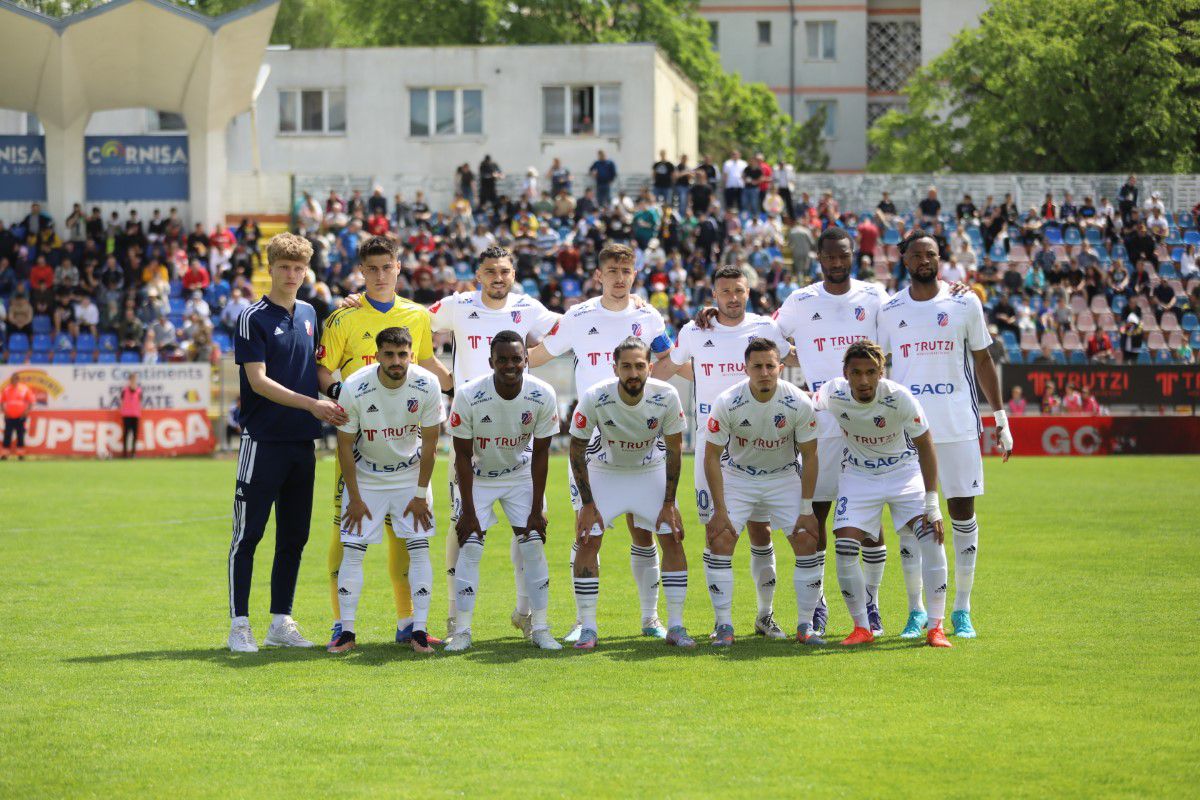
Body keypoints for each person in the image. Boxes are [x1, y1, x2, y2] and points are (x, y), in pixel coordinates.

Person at [528, 244, 674, 643]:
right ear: (599, 275)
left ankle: (651, 619)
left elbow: (669, 359)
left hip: (641, 440)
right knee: (587, 529)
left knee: (643, 530)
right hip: (590, 443)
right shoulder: (578, 316)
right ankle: (583, 621)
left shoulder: (649, 316)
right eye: (612, 270)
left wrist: (646, 395)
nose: (620, 278)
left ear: (635, 274)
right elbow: (539, 355)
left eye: (626, 271)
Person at [316, 236, 452, 648]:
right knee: (346, 531)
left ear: (398, 268)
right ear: (361, 271)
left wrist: (460, 388)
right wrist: (345, 400)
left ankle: (408, 622)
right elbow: (322, 371)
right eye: (371, 269)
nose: (379, 276)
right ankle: (341, 624)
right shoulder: (342, 317)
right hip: (360, 442)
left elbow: (425, 362)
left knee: (405, 537)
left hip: (403, 442)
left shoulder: (417, 315)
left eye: (386, 267)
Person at [877, 230, 1013, 640]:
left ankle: (962, 609)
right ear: (904, 260)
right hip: (906, 431)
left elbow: (983, 360)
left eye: (931, 254)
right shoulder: (890, 309)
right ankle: (916, 610)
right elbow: (876, 366)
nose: (925, 260)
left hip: (958, 425)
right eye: (917, 254)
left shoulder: (964, 301)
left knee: (962, 513)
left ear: (940, 258)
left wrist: (1001, 417)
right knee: (910, 520)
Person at [653, 266, 795, 638]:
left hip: (761, 442)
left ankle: (765, 615)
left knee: (761, 530)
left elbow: (794, 357)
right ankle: (722, 622)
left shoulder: (766, 328)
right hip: (712, 445)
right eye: (725, 291)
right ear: (713, 295)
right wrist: (623, 392)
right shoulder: (694, 330)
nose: (733, 298)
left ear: (749, 292)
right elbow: (669, 366)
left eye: (739, 290)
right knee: (716, 530)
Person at [426, 246, 558, 637]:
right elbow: (414, 322)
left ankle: (525, 612)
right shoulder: (458, 305)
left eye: (504, 271)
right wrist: (443, 376)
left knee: (530, 526)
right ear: (478, 275)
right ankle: (455, 617)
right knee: (460, 527)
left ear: (513, 274)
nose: (497, 278)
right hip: (470, 430)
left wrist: (530, 360)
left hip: (517, 429)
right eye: (490, 271)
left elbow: (571, 329)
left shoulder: (528, 307)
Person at [228, 232, 347, 653]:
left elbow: (317, 369)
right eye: (284, 267)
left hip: (302, 442)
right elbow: (258, 381)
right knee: (248, 537)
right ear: (271, 268)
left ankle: (280, 622)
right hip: (262, 442)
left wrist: (335, 396)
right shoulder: (252, 317)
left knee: (294, 537)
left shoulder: (311, 312)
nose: (292, 275)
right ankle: (239, 624)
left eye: (299, 268)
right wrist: (312, 405)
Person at [771, 227, 890, 635]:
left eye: (844, 255)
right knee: (815, 514)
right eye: (830, 257)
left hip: (867, 420)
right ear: (819, 258)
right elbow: (765, 335)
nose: (837, 263)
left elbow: (907, 320)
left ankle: (872, 604)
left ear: (853, 255)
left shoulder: (874, 295)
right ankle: (817, 603)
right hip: (820, 422)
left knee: (869, 518)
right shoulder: (800, 300)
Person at [813, 341, 952, 648]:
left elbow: (925, 445)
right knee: (845, 547)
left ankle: (935, 627)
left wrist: (932, 503)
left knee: (931, 535)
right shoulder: (832, 392)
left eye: (871, 372)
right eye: (856, 372)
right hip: (858, 475)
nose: (863, 380)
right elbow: (806, 404)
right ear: (845, 374)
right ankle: (862, 627)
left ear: (881, 372)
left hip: (903, 473)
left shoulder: (899, 397)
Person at [568, 337, 694, 650]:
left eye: (639, 366)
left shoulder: (666, 395)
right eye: (626, 366)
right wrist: (587, 504)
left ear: (650, 367)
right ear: (615, 369)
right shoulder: (596, 396)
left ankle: (674, 625)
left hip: (649, 470)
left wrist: (669, 503)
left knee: (672, 536)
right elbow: (577, 448)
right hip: (606, 471)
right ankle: (588, 627)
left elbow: (675, 450)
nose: (633, 373)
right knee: (587, 540)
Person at [327, 327, 444, 655]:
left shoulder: (427, 383)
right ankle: (347, 633)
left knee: (418, 548)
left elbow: (432, 444)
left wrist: (420, 495)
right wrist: (355, 498)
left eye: (403, 354)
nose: (396, 361)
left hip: (409, 476)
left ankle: (419, 631)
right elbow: (344, 445)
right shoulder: (355, 386)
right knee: (353, 550)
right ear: (377, 355)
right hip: (367, 477)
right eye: (389, 354)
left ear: (411, 355)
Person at [444, 332, 562, 652]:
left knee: (533, 544)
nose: (510, 365)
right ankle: (462, 631)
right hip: (478, 476)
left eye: (516, 359)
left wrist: (536, 509)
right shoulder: (469, 395)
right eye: (503, 359)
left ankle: (540, 628)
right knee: (470, 546)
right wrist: (468, 512)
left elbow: (541, 454)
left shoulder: (542, 394)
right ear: (491, 362)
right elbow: (462, 457)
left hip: (519, 474)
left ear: (526, 360)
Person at [702, 338, 821, 645]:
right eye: (757, 366)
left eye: (770, 366)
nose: (764, 372)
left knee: (806, 539)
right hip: (739, 476)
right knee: (720, 538)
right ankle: (724, 625)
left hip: (783, 476)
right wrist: (720, 510)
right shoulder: (728, 401)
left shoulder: (798, 402)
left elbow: (810, 456)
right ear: (746, 369)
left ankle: (804, 625)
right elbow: (711, 456)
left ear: (780, 367)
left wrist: (807, 508)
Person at [1, 373, 36, 460]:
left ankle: (20, 454)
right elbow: (1, 402)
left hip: (21, 417)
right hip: (9, 417)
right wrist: (4, 412)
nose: (14, 380)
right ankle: (5, 454)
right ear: (11, 380)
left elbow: (31, 401)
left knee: (20, 435)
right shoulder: (6, 389)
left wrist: (26, 412)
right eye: (13, 379)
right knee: (7, 435)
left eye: (16, 379)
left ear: (18, 380)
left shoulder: (24, 389)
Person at [118, 373, 143, 459]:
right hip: (126, 415)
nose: (133, 381)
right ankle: (124, 453)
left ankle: (133, 453)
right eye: (132, 379)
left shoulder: (139, 390)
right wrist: (122, 411)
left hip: (135, 415)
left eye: (135, 379)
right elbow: (121, 401)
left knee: (135, 435)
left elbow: (140, 402)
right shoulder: (125, 390)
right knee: (126, 434)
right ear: (129, 380)